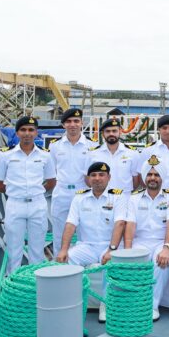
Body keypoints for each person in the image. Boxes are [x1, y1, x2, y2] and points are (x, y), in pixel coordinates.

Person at [56, 162, 126, 322]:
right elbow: (70, 224)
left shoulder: (118, 196)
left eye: (101, 175)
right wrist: (63, 249)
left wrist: (111, 249)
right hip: (86, 246)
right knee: (67, 259)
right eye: (93, 175)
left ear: (109, 177)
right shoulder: (79, 198)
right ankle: (72, 302)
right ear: (88, 179)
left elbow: (120, 224)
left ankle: (105, 304)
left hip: (109, 246)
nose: (97, 178)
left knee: (111, 262)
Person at [0, 116, 56, 272]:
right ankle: (13, 279)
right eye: (23, 130)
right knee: (14, 249)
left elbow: (51, 182)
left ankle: (35, 280)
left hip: (37, 205)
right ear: (17, 133)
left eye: (31, 130)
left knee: (37, 249)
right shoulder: (6, 155)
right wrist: (16, 191)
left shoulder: (45, 155)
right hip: (15, 204)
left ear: (36, 132)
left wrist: (35, 192)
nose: (27, 133)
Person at [121, 156, 169, 322]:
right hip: (140, 241)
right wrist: (128, 250)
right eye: (149, 174)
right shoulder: (134, 198)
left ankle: (152, 306)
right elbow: (130, 225)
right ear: (144, 177)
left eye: (156, 175)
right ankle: (132, 304)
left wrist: (167, 247)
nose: (152, 178)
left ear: (162, 178)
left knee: (161, 262)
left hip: (163, 241)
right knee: (133, 262)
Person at [49, 108, 97, 256]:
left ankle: (83, 265)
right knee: (59, 234)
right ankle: (59, 265)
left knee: (85, 233)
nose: (72, 124)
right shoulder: (55, 146)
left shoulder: (92, 146)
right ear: (63, 125)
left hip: (83, 191)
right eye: (69, 121)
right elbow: (51, 172)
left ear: (82, 123)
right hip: (61, 192)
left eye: (76, 121)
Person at [87, 118, 141, 195]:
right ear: (103, 134)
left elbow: (136, 180)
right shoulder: (93, 153)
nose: (111, 134)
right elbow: (88, 179)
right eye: (108, 131)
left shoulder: (132, 153)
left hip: (124, 198)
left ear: (120, 132)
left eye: (114, 131)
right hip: (101, 197)